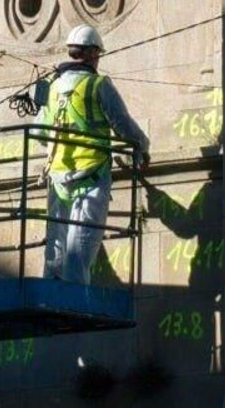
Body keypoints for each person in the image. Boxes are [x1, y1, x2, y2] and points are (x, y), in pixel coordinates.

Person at [39, 25, 149, 285]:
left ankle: (51, 294)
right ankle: (75, 303)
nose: (98, 59)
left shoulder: (52, 88)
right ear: (90, 54)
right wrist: (142, 147)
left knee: (56, 242)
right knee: (81, 246)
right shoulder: (98, 84)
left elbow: (42, 132)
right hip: (91, 173)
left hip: (58, 176)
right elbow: (122, 124)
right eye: (98, 54)